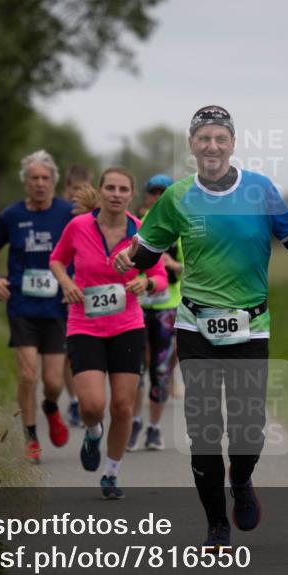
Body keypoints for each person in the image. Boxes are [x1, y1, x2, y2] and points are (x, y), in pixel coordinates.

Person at [114, 105, 288, 550]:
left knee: (247, 426)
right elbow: (150, 250)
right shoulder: (178, 196)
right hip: (195, 325)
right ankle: (215, 526)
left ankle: (241, 480)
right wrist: (133, 256)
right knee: (204, 427)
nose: (212, 146)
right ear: (192, 145)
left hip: (251, 324)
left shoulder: (260, 189)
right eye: (203, 138)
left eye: (219, 138)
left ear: (232, 143)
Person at [49, 167, 169, 500]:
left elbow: (160, 276)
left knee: (122, 406)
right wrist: (68, 283)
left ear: (131, 195)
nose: (116, 194)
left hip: (127, 326)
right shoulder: (78, 226)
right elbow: (57, 260)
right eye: (110, 188)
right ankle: (92, 432)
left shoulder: (142, 232)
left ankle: (112, 473)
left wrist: (144, 282)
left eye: (123, 189)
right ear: (100, 191)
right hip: (85, 324)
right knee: (92, 405)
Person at [0, 150, 74, 464]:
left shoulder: (67, 213)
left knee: (53, 382)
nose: (39, 184)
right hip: (22, 307)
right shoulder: (11, 215)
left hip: (57, 307)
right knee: (27, 376)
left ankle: (51, 407)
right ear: (25, 182)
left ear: (53, 182)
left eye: (45, 178)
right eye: (33, 178)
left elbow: (82, 249)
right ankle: (30, 437)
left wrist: (74, 283)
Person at [127, 173, 181, 451]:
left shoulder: (182, 228)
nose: (159, 197)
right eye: (154, 192)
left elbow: (194, 267)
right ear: (147, 196)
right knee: (135, 371)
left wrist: (172, 265)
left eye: (165, 192)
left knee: (160, 371)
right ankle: (134, 423)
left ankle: (154, 428)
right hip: (136, 308)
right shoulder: (137, 226)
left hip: (166, 308)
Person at [60, 164, 96, 426]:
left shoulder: (96, 216)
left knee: (85, 349)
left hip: (91, 291)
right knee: (66, 351)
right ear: (66, 190)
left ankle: (87, 398)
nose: (78, 196)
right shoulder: (61, 215)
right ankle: (74, 401)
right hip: (62, 290)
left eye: (84, 190)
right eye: (74, 191)